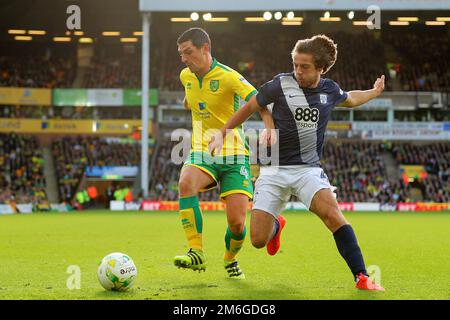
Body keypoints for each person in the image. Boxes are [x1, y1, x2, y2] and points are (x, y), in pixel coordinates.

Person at [209, 35, 385, 290]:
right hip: (273, 170)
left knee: (333, 216)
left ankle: (362, 277)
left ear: (321, 69)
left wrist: (375, 92)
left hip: (308, 170)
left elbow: (352, 98)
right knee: (258, 240)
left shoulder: (330, 90)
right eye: (295, 65)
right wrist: (223, 132)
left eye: (304, 67)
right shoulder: (280, 84)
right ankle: (276, 225)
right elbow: (250, 106)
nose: (298, 71)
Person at [173, 27, 273, 279]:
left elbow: (260, 101)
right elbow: (190, 98)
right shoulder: (185, 76)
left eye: (188, 52)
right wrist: (189, 101)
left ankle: (230, 259)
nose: (184, 58)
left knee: (238, 225)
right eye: (181, 54)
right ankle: (196, 251)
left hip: (234, 154)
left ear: (205, 48)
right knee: (186, 182)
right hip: (202, 149)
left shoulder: (229, 77)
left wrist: (269, 128)